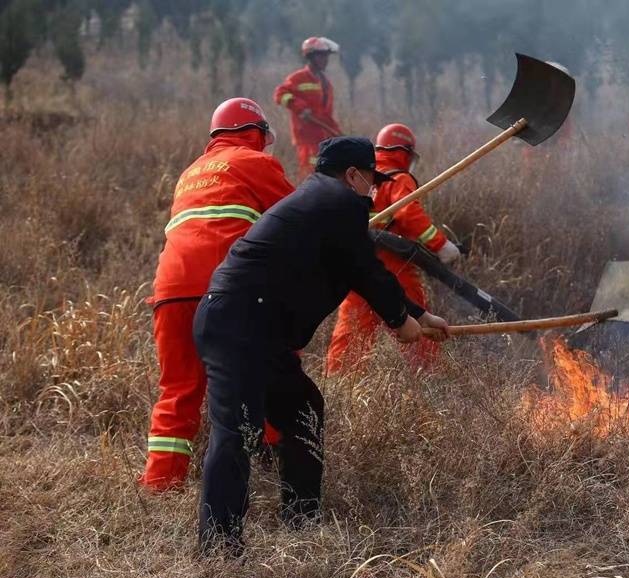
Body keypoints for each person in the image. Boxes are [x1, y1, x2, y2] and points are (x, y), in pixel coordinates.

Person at [193, 136, 450, 554]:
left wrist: (417, 316)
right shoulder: (339, 203)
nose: (373, 190)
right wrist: (401, 322)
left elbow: (356, 268)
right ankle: (218, 549)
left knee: (302, 408)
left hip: (255, 327)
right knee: (237, 431)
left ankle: (302, 520)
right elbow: (366, 269)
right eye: (371, 180)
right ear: (352, 174)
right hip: (238, 324)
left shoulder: (323, 203)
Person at [139, 98, 294, 492]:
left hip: (171, 292)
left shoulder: (190, 173)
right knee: (273, 367)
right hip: (226, 291)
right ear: (256, 132)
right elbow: (299, 215)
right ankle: (275, 462)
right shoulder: (256, 163)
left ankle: (161, 483)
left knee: (177, 388)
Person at [325, 123, 460, 374]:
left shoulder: (361, 175)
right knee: (418, 323)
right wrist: (442, 246)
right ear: (404, 151)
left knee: (353, 328)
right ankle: (429, 377)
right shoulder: (398, 177)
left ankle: (339, 380)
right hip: (395, 265)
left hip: (358, 265)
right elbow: (409, 214)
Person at [273, 36, 342, 182]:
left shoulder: (326, 83)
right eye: (321, 56)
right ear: (310, 57)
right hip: (305, 137)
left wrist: (338, 133)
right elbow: (280, 94)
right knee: (309, 175)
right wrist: (299, 107)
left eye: (326, 56)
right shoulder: (298, 78)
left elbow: (326, 114)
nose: (325, 60)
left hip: (322, 138)